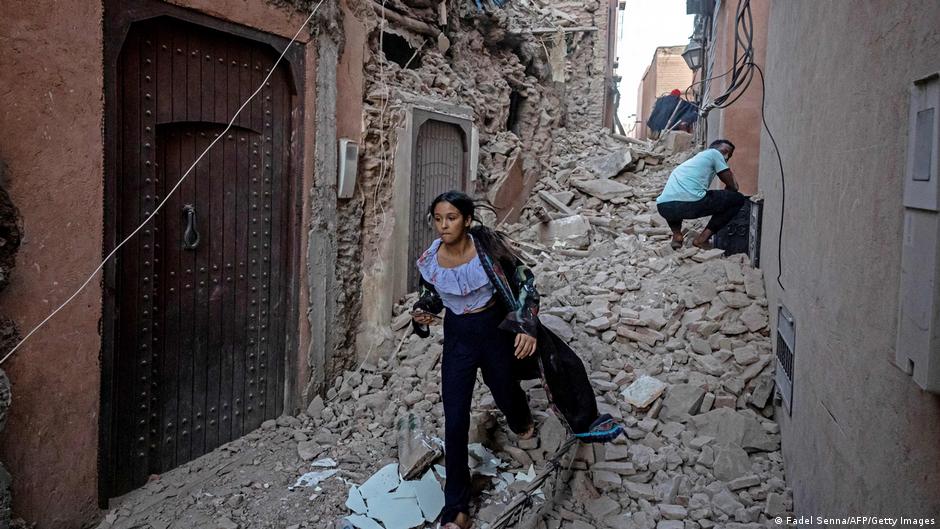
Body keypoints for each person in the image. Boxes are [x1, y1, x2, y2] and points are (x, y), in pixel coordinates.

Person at [411, 191, 622, 529]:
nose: (443, 225)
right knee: (454, 419)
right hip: (459, 340)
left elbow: (526, 285)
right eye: (438, 219)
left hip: (494, 331)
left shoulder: (490, 254)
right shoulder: (431, 260)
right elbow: (430, 295)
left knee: (503, 386)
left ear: (466, 220)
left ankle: (522, 420)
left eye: (450, 218)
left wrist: (526, 326)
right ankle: (457, 510)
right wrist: (422, 313)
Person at [656, 139, 746, 250]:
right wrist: (729, 174)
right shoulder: (714, 153)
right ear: (715, 149)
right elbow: (733, 187)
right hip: (690, 204)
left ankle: (677, 236)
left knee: (677, 200)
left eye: (730, 155)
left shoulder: (691, 162)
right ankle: (702, 239)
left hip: (663, 207)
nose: (726, 157)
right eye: (726, 152)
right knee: (738, 199)